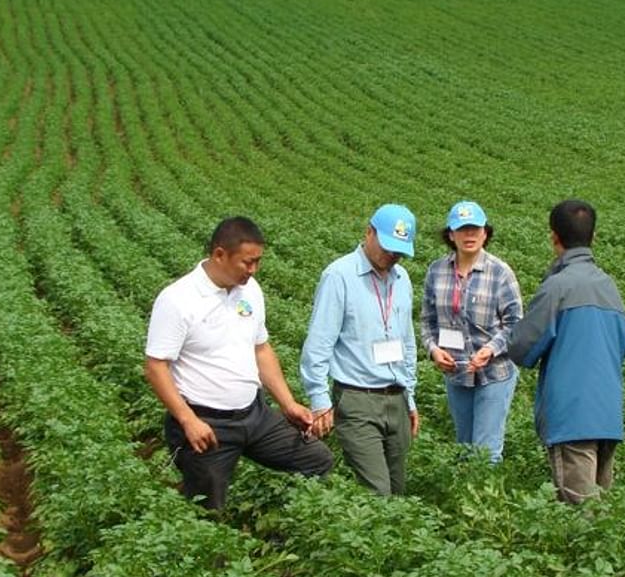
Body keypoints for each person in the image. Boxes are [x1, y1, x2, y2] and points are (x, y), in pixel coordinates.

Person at [144, 217, 333, 510]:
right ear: (220, 254)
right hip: (206, 423)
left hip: (254, 415)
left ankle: (281, 527)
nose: (253, 270)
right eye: (247, 262)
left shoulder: (250, 290)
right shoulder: (177, 300)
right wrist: (188, 420)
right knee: (207, 511)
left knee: (316, 459)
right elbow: (156, 367)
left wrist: (288, 404)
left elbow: (261, 349)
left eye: (258, 261)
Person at [508, 200, 625, 503]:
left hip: (572, 416)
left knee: (580, 513)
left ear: (554, 237)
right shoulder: (609, 287)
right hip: (607, 414)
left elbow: (522, 348)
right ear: (594, 236)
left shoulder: (558, 287)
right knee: (599, 509)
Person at [300, 204, 419, 496]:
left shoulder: (402, 279)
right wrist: (319, 399)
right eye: (387, 247)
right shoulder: (339, 276)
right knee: (377, 491)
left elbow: (407, 341)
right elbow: (318, 344)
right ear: (369, 232)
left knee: (398, 491)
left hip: (397, 398)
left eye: (399, 251)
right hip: (357, 399)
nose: (392, 256)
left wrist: (411, 397)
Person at [421, 200, 523, 463]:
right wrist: (433, 351)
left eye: (475, 229)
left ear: (485, 234)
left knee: (486, 452)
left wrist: (490, 349)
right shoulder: (436, 271)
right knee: (465, 449)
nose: (469, 235)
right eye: (462, 229)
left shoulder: (500, 272)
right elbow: (428, 322)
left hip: (494, 372)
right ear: (450, 235)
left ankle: (486, 502)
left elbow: (515, 323)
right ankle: (466, 501)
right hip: (457, 373)